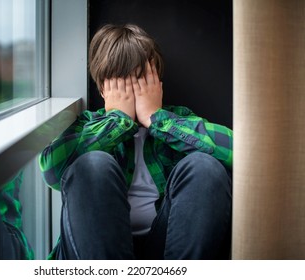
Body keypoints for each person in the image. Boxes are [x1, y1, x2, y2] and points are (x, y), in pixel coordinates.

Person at [39, 24, 233, 260]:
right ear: (103, 88)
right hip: (95, 250)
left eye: (141, 80)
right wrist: (118, 121)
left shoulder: (178, 121)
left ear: (157, 83)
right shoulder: (87, 126)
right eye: (121, 82)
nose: (131, 90)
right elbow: (52, 171)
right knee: (93, 164)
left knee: (204, 167)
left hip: (164, 248)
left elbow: (237, 152)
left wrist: (157, 119)